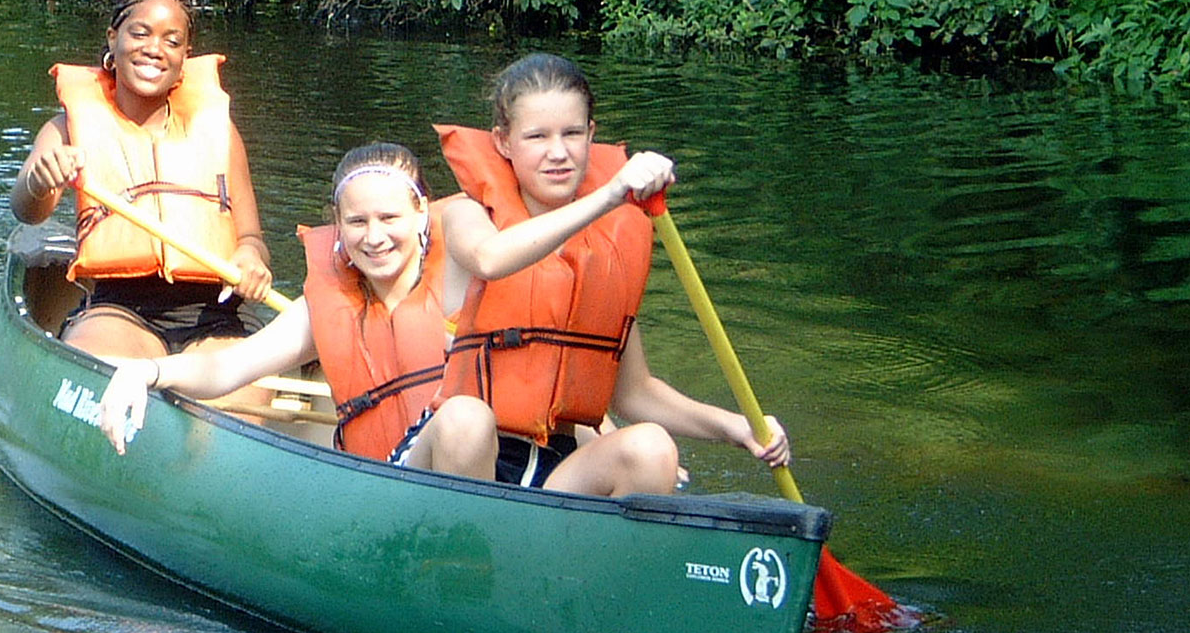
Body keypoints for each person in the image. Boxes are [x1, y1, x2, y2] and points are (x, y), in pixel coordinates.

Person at [396, 52, 790, 496]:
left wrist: (736, 428)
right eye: (537, 137)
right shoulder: (470, 215)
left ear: (591, 135)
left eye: (572, 134)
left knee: (651, 447)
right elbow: (489, 258)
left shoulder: (605, 254)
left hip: (556, 463)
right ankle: (462, 555)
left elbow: (634, 395)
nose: (558, 152)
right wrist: (611, 194)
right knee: (468, 419)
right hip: (458, 453)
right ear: (503, 142)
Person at [97, 143, 450, 461]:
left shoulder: (464, 282)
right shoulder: (322, 311)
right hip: (381, 482)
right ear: (338, 224)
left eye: (389, 218)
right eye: (358, 221)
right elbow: (226, 368)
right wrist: (148, 370)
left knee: (464, 425)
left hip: (466, 473)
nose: (374, 238)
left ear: (422, 213)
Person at [11, 0, 274, 364]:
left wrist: (251, 258)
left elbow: (251, 237)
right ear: (113, 38)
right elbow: (28, 210)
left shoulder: (221, 133)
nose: (155, 50)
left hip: (214, 314)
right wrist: (40, 179)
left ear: (185, 57)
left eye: (172, 41)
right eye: (140, 34)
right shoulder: (66, 129)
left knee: (236, 400)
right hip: (120, 311)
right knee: (110, 370)